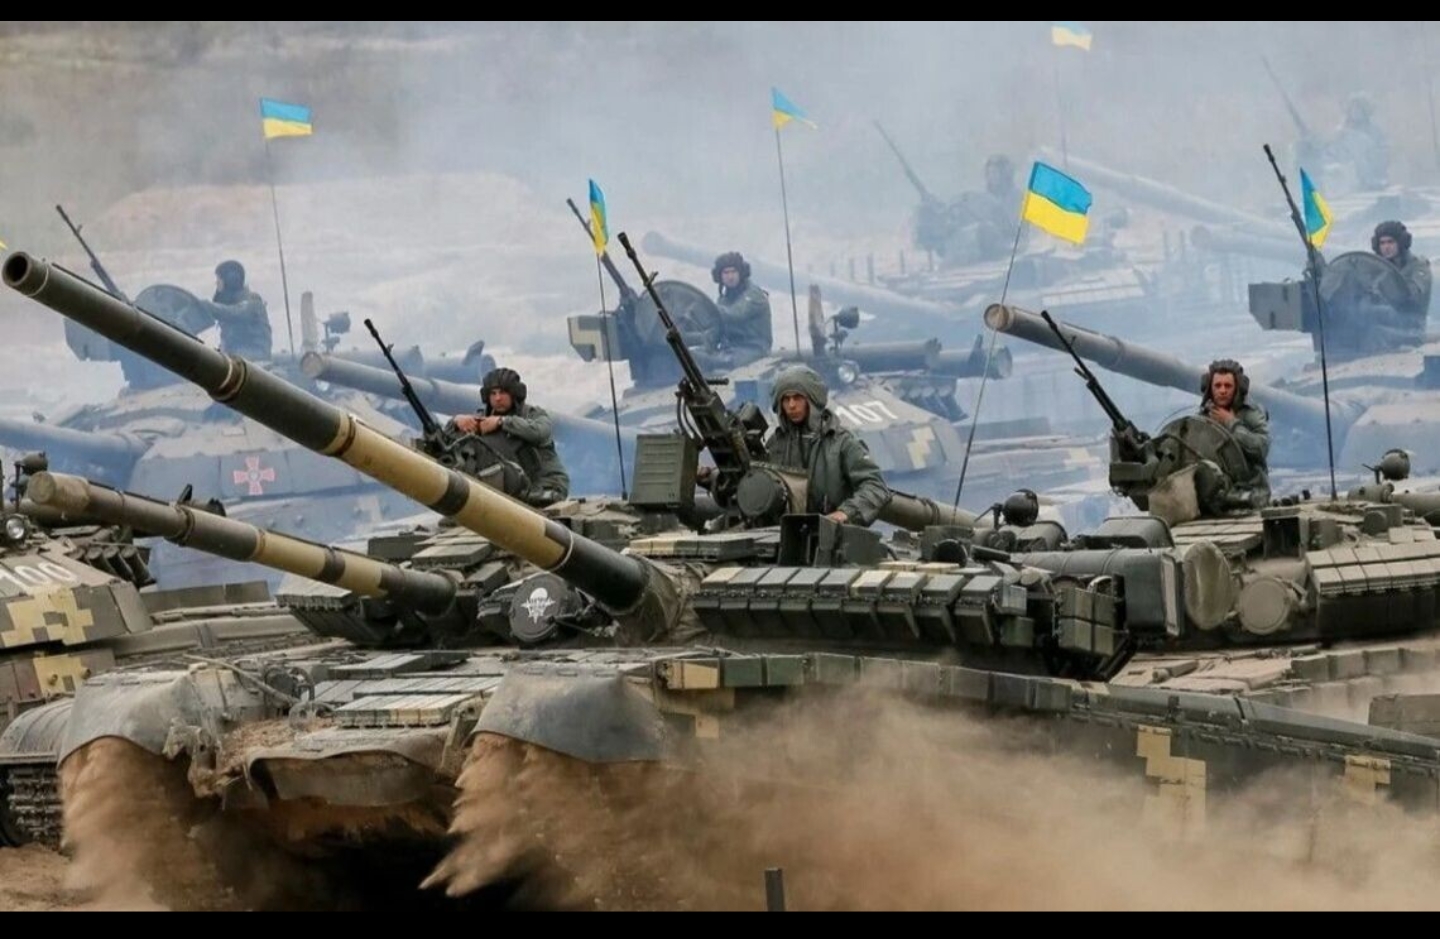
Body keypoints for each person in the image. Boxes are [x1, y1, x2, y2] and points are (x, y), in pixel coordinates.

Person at [765, 364, 891, 526]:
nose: (791, 405)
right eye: (786, 399)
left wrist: (846, 513)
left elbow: (875, 486)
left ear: (812, 400)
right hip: (784, 534)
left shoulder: (841, 443)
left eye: (798, 397)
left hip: (834, 534)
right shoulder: (775, 445)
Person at [452, 367, 569, 507]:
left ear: (514, 394)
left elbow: (540, 432)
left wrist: (502, 422)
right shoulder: (482, 419)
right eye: (493, 393)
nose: (498, 398)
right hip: (510, 490)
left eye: (503, 392)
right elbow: (450, 443)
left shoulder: (533, 415)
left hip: (546, 485)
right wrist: (457, 421)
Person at [1199, 359, 1270, 507]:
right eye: (1217, 385)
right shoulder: (1203, 417)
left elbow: (1261, 448)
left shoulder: (1251, 414)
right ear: (1210, 388)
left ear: (1237, 388)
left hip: (1251, 494)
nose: (1222, 391)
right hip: (1214, 497)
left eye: (1228, 386)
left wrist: (1231, 423)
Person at [699, 251, 773, 370]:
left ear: (741, 273)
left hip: (754, 348)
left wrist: (707, 307)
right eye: (726, 272)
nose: (730, 276)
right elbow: (716, 329)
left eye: (734, 271)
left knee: (723, 364)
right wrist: (703, 346)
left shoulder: (754, 294)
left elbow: (737, 314)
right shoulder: (724, 300)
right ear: (720, 276)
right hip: (731, 349)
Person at [199, 260, 273, 359]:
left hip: (255, 359)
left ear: (231, 281)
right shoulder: (232, 304)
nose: (217, 284)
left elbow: (233, 313)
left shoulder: (252, 302)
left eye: (219, 280)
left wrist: (206, 305)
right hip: (237, 357)